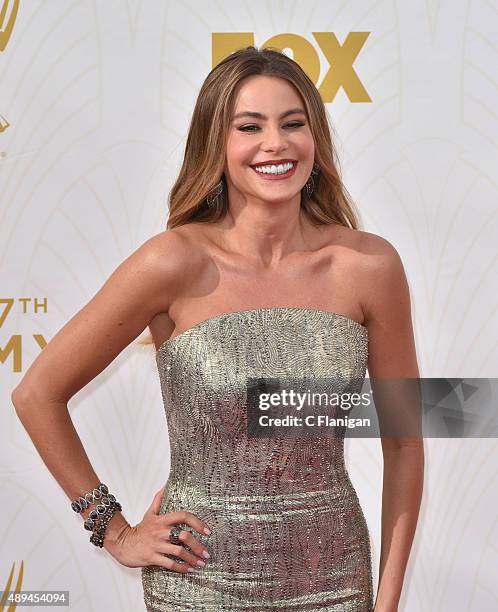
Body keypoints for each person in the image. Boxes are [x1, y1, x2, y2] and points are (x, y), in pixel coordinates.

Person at [11, 46, 424, 611]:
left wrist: (389, 601)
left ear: (316, 139)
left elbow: (404, 443)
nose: (275, 143)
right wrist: (113, 529)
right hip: (198, 586)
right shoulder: (172, 262)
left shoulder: (369, 267)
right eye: (249, 126)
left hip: (334, 580)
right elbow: (37, 393)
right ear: (217, 144)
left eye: (293, 123)